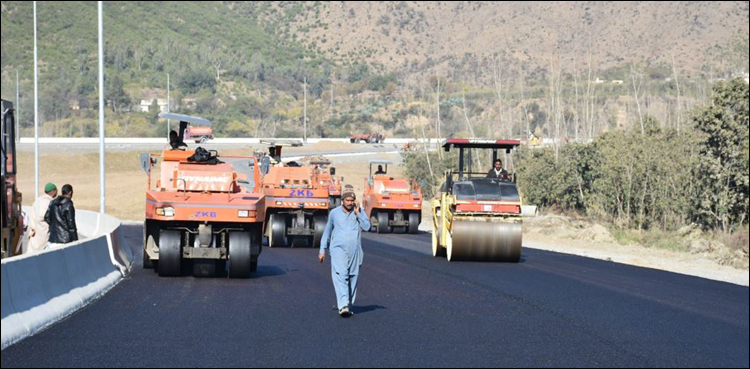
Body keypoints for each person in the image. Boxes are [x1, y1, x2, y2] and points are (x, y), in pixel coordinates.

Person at [319, 185, 371, 317]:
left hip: (355, 250)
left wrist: (359, 214)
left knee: (353, 276)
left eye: (351, 200)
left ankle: (348, 303)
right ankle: (343, 305)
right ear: (342, 200)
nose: (350, 203)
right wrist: (322, 249)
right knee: (341, 275)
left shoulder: (358, 211)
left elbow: (367, 227)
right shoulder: (334, 213)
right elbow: (327, 231)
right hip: (338, 249)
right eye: (347, 200)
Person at [27, 183, 57, 253]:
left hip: (35, 236)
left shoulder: (38, 200)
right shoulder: (49, 202)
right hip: (44, 235)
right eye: (56, 190)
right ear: (53, 191)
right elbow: (44, 217)